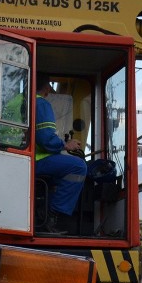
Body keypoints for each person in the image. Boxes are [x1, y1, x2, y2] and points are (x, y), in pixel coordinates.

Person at [34, 74, 87, 234]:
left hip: (16, 158)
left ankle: (41, 209)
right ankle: (51, 216)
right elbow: (46, 139)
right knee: (78, 167)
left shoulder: (17, 101)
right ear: (47, 88)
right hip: (34, 161)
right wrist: (66, 144)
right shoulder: (40, 103)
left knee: (60, 173)